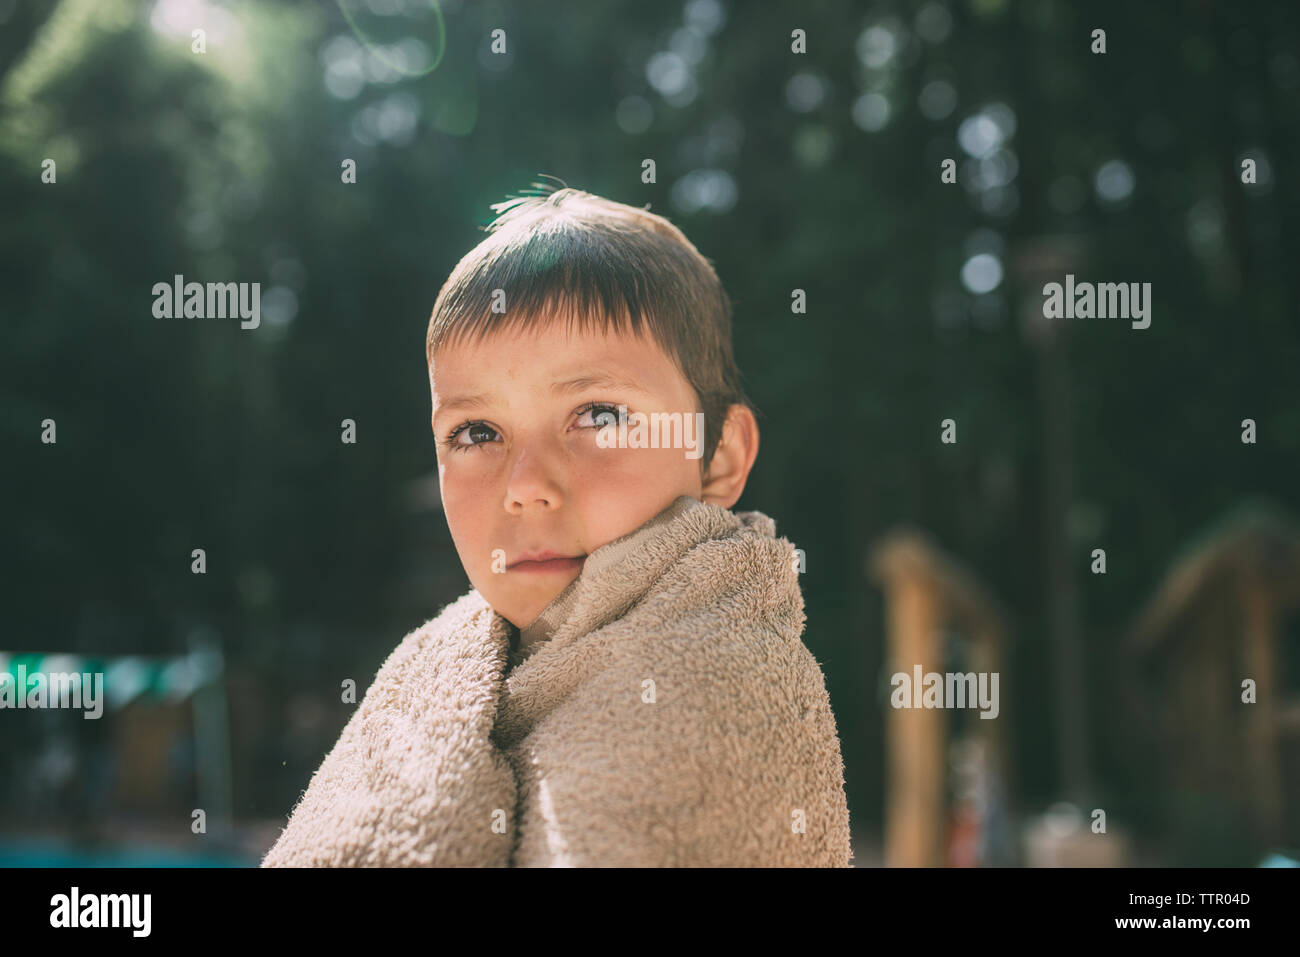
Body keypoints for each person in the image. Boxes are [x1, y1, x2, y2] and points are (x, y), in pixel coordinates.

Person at [262, 183, 852, 867]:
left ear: (718, 456)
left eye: (599, 416)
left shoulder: (726, 684)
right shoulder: (440, 667)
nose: (526, 487)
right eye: (478, 430)